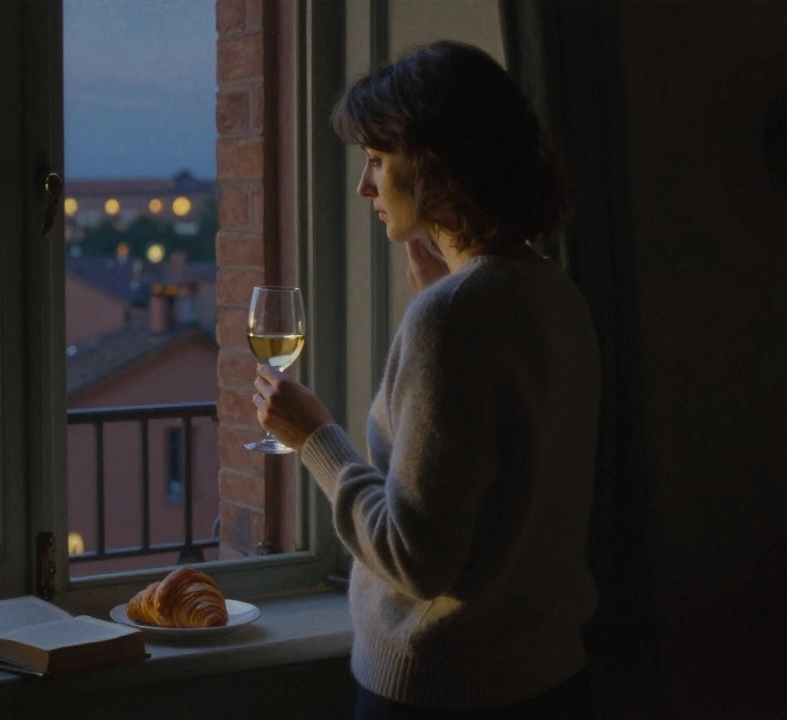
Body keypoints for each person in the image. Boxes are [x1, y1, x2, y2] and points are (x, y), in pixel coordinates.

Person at [251, 41, 601, 719]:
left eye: (378, 161)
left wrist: (315, 438)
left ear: (435, 164)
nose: (364, 187)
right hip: (553, 680)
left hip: (447, 691)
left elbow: (417, 560)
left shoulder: (453, 316)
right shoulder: (555, 292)